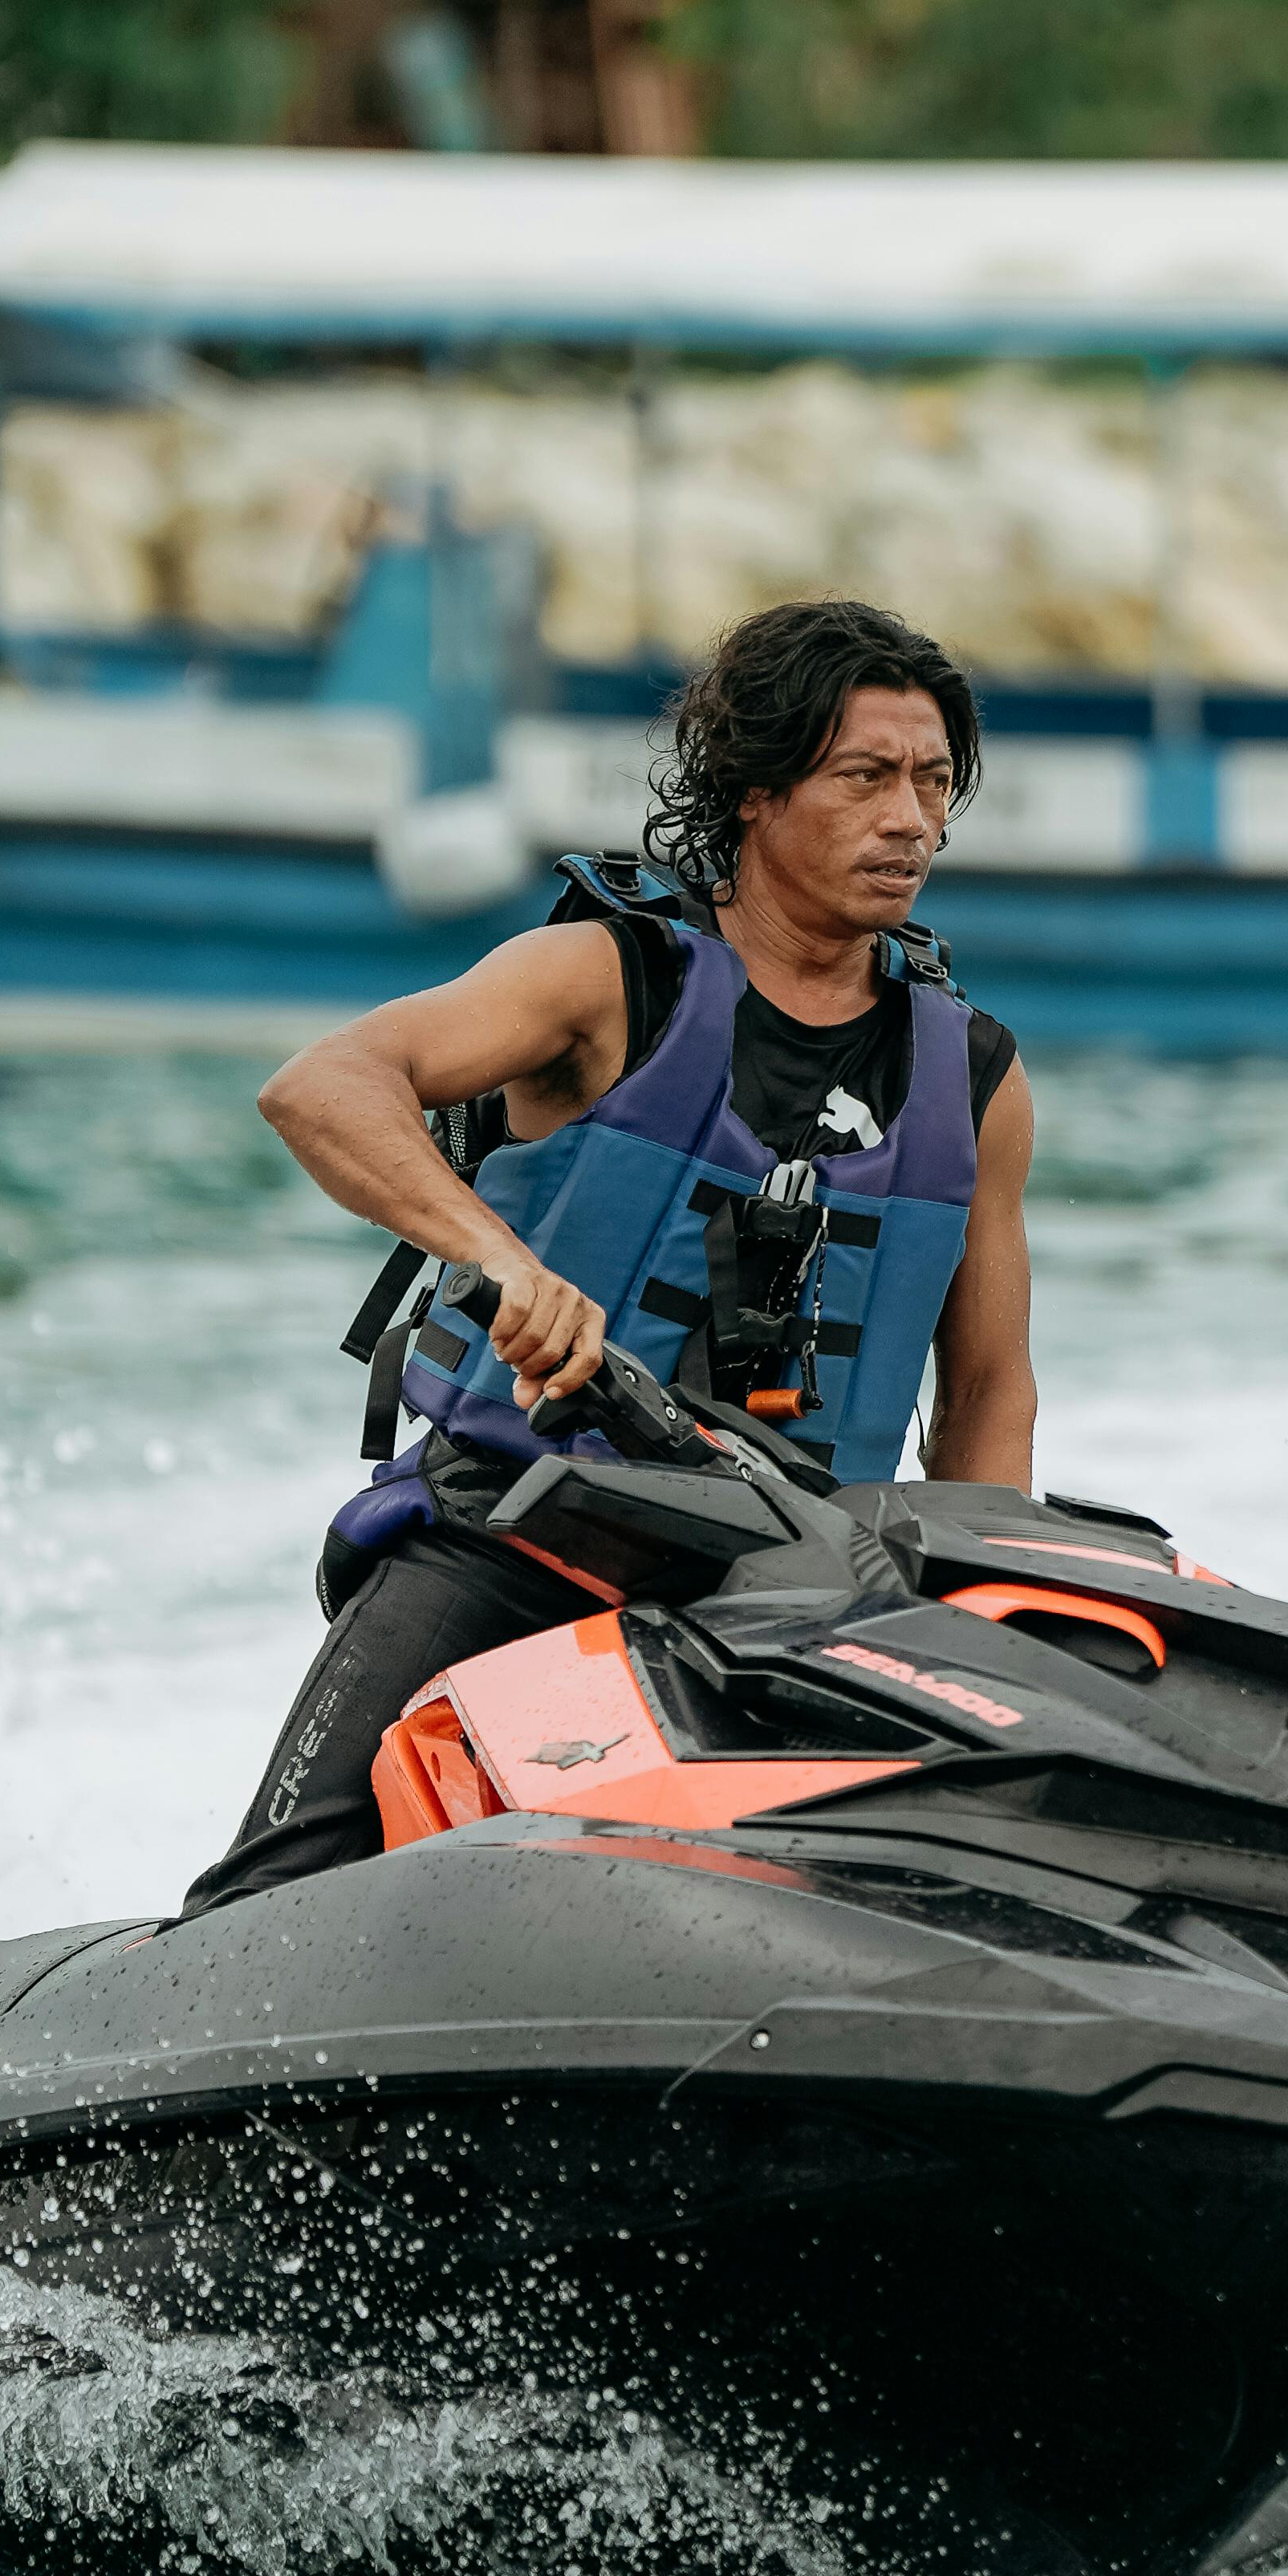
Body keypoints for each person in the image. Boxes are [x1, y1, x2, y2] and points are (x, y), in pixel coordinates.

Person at [181, 596, 1035, 1912]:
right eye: (867, 777)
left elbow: (986, 1393)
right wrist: (505, 1263)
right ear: (753, 791)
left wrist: (978, 1626)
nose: (912, 820)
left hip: (797, 1595)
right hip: (520, 1532)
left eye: (932, 785)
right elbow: (327, 1085)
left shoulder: (971, 1077)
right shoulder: (602, 979)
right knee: (273, 1900)